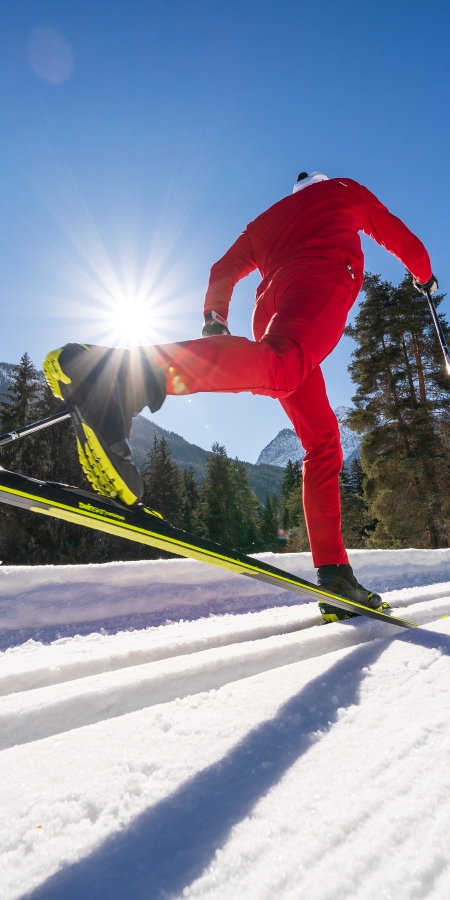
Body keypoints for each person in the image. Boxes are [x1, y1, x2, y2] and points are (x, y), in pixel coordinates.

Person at [43, 171, 438, 621]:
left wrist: (214, 320)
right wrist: (424, 277)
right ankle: (121, 379)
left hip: (269, 309)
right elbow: (395, 232)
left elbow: (223, 269)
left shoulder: (267, 219)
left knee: (323, 440)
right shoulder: (342, 191)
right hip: (322, 278)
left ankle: (334, 573)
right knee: (285, 368)